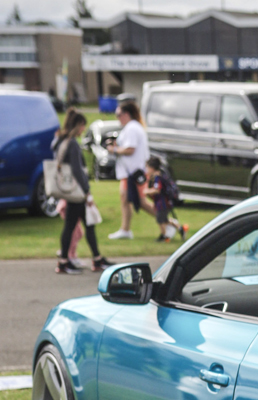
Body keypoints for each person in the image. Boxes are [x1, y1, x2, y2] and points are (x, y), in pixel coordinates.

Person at [50, 110, 111, 275]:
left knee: (81, 224)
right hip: (77, 192)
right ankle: (68, 261)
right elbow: (78, 170)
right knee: (77, 225)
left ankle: (92, 258)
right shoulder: (73, 144)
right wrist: (87, 192)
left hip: (69, 191)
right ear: (78, 125)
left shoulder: (60, 141)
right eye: (83, 125)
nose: (83, 129)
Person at [107, 100, 149, 239]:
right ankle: (125, 230)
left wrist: (114, 149)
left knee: (140, 202)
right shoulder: (132, 127)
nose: (117, 117)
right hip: (130, 172)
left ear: (127, 114)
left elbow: (130, 149)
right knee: (126, 200)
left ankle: (170, 224)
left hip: (133, 172)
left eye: (119, 114)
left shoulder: (132, 128)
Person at [145, 155, 188, 243]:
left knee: (160, 219)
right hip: (164, 202)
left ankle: (164, 236)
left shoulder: (157, 178)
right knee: (164, 219)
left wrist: (147, 191)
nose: (146, 170)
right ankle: (181, 229)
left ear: (152, 168)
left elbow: (157, 190)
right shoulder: (160, 176)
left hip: (163, 203)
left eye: (147, 168)